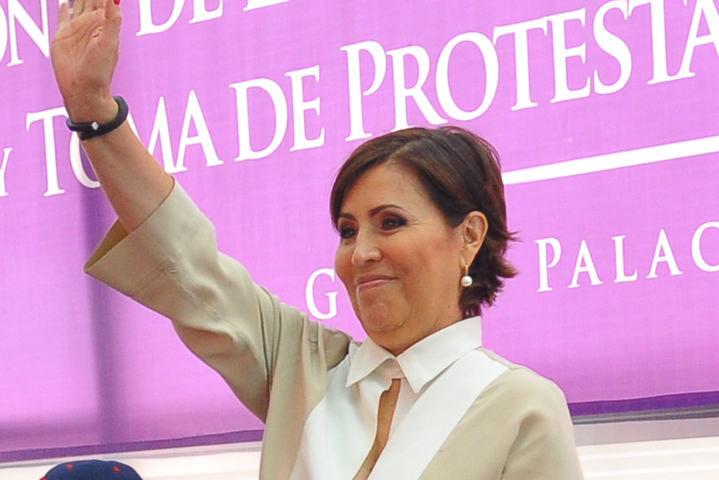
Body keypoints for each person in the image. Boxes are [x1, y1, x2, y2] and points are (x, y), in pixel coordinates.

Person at [51, 1, 585, 479]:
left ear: (468, 236)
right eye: (348, 231)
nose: (362, 253)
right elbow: (184, 260)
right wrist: (94, 112)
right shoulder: (304, 367)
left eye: (391, 222)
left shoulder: (521, 407)